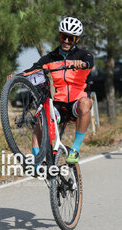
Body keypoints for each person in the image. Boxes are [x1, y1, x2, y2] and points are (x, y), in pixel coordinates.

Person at [8, 17, 94, 163]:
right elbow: (31, 71)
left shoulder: (84, 55)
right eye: (63, 36)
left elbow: (89, 63)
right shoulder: (50, 58)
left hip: (76, 103)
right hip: (58, 104)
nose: (66, 41)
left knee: (86, 102)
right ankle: (37, 158)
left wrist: (82, 64)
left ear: (77, 40)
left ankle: (75, 149)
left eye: (70, 38)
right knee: (41, 118)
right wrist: (16, 76)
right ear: (60, 36)